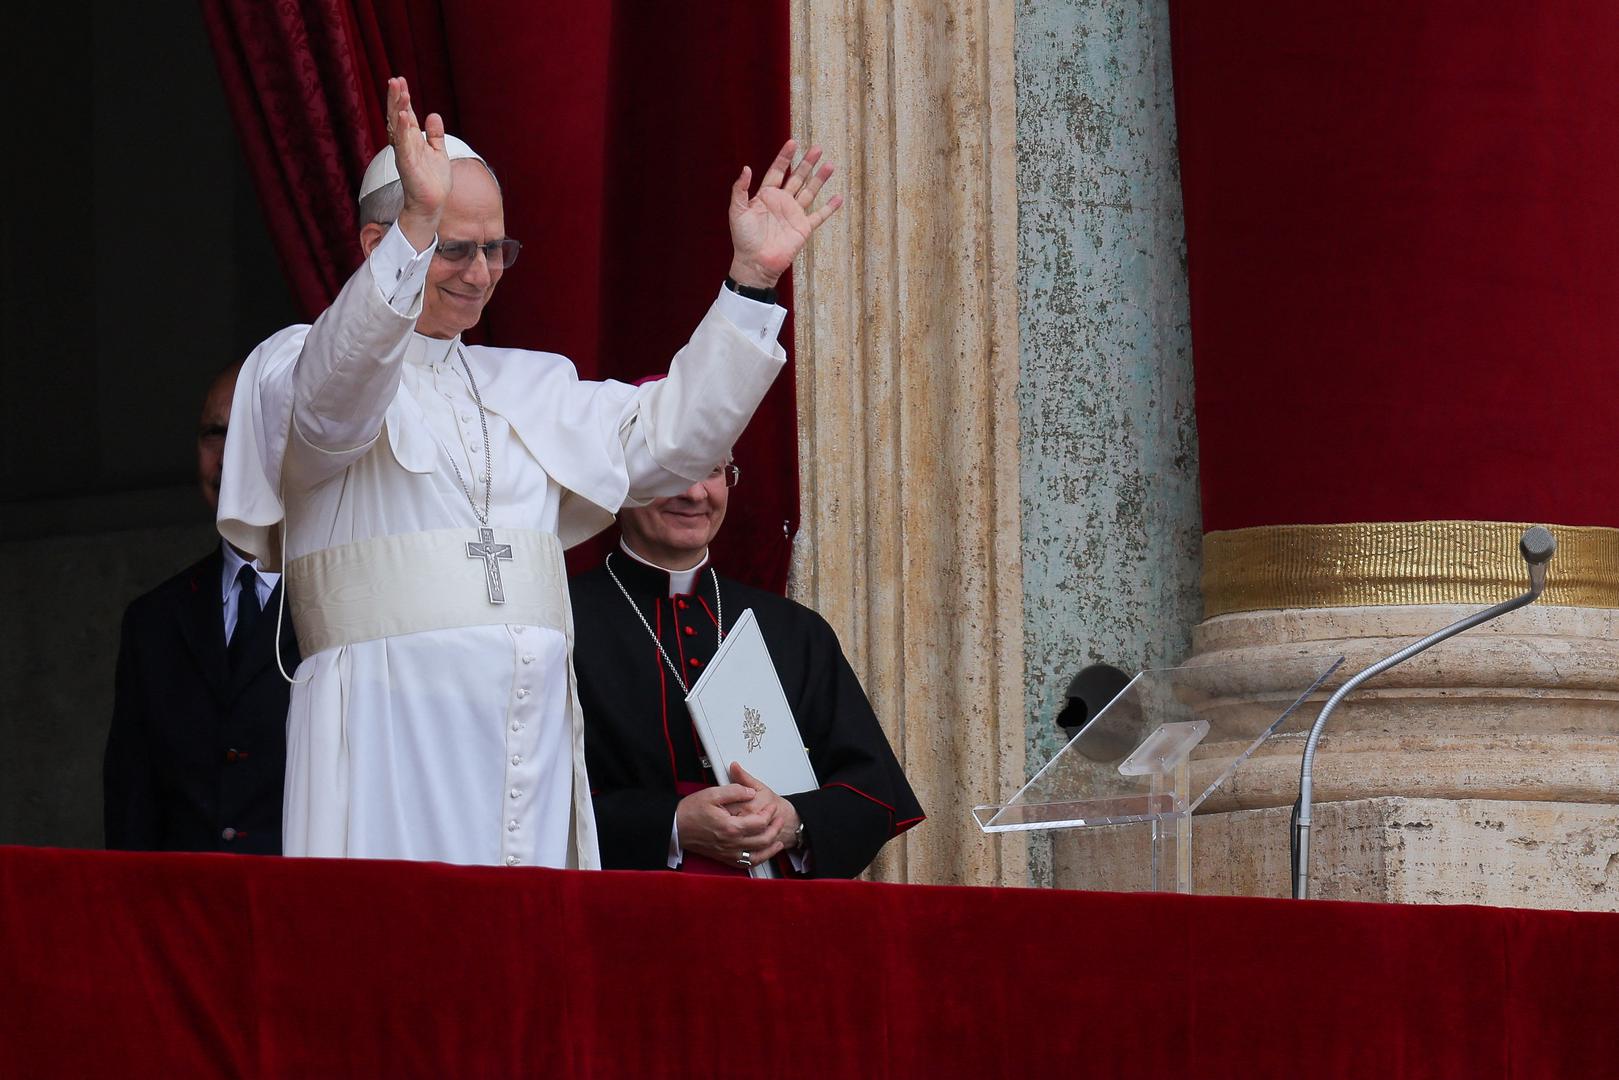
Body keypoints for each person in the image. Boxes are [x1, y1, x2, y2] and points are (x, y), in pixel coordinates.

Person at [217, 77, 841, 869]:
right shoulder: (295, 364)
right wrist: (416, 222)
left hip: (531, 752)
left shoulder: (532, 384)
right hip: (384, 741)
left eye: (495, 250)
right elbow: (334, 406)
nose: (480, 274)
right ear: (382, 245)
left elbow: (674, 445)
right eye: (453, 248)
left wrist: (749, 283)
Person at [570, 455, 923, 878]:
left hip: (778, 912)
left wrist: (792, 822)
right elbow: (525, 801)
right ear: (621, 481)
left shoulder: (795, 630)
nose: (695, 493)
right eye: (671, 471)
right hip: (625, 908)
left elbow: (873, 793)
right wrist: (671, 825)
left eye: (713, 471)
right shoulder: (561, 623)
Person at [104, 364, 299, 854]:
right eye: (215, 434)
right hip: (184, 899)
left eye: (249, 435)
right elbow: (131, 810)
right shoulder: (152, 622)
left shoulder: (341, 605)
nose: (227, 457)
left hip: (303, 896)